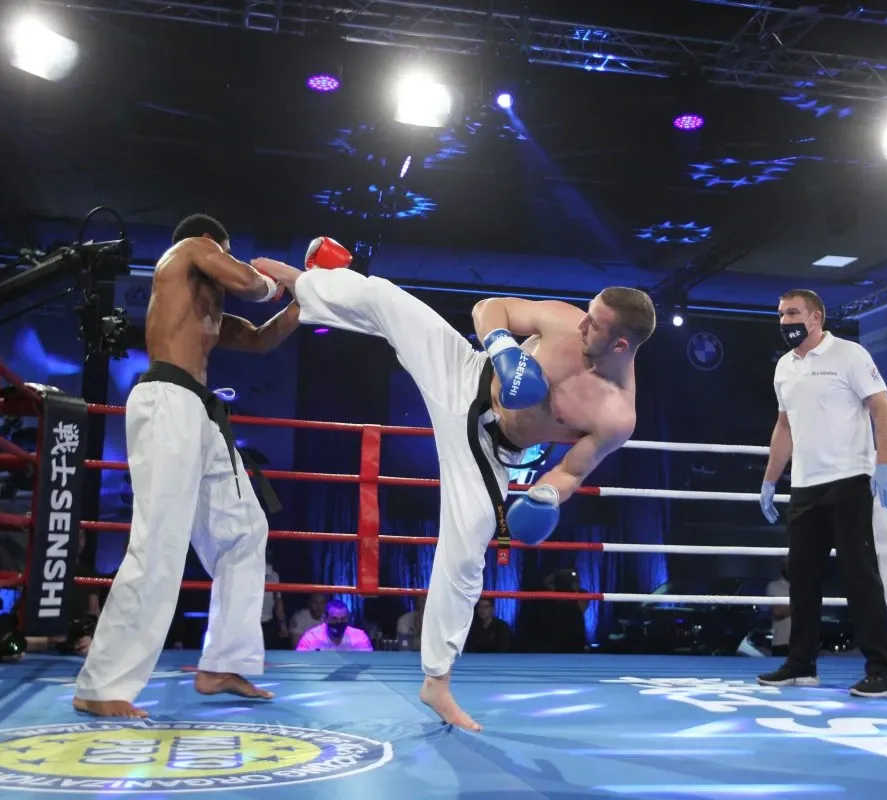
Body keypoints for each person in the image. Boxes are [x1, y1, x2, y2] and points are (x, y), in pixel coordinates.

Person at [254, 237, 654, 731]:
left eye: (594, 324)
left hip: (487, 448)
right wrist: (503, 349)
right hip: (467, 374)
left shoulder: (616, 416)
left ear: (621, 345)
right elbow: (490, 307)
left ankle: (436, 680)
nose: (582, 324)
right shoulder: (563, 319)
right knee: (388, 301)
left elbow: (570, 471)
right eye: (587, 314)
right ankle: (303, 283)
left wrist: (547, 494)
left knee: (466, 555)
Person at [73, 214, 302, 718]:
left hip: (200, 412)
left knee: (245, 530)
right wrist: (287, 279)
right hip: (167, 400)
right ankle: (100, 684)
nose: (226, 260)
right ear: (212, 243)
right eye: (226, 252)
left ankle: (223, 663)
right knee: (159, 540)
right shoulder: (188, 250)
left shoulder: (207, 308)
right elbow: (251, 284)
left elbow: (261, 339)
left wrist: (306, 301)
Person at [756, 289, 887, 698]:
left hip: (850, 478)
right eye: (781, 314)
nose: (785, 321)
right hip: (805, 484)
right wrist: (770, 480)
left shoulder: (849, 354)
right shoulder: (784, 367)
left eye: (793, 313)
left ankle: (883, 670)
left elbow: (883, 409)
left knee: (860, 576)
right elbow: (784, 426)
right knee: (802, 579)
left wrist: (884, 463)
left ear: (816, 317)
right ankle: (800, 665)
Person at [295, 599, 374, 652]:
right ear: (325, 618)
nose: (339, 622)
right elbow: (301, 662)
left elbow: (368, 663)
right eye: (334, 619)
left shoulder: (360, 637)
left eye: (343, 619)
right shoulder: (311, 638)